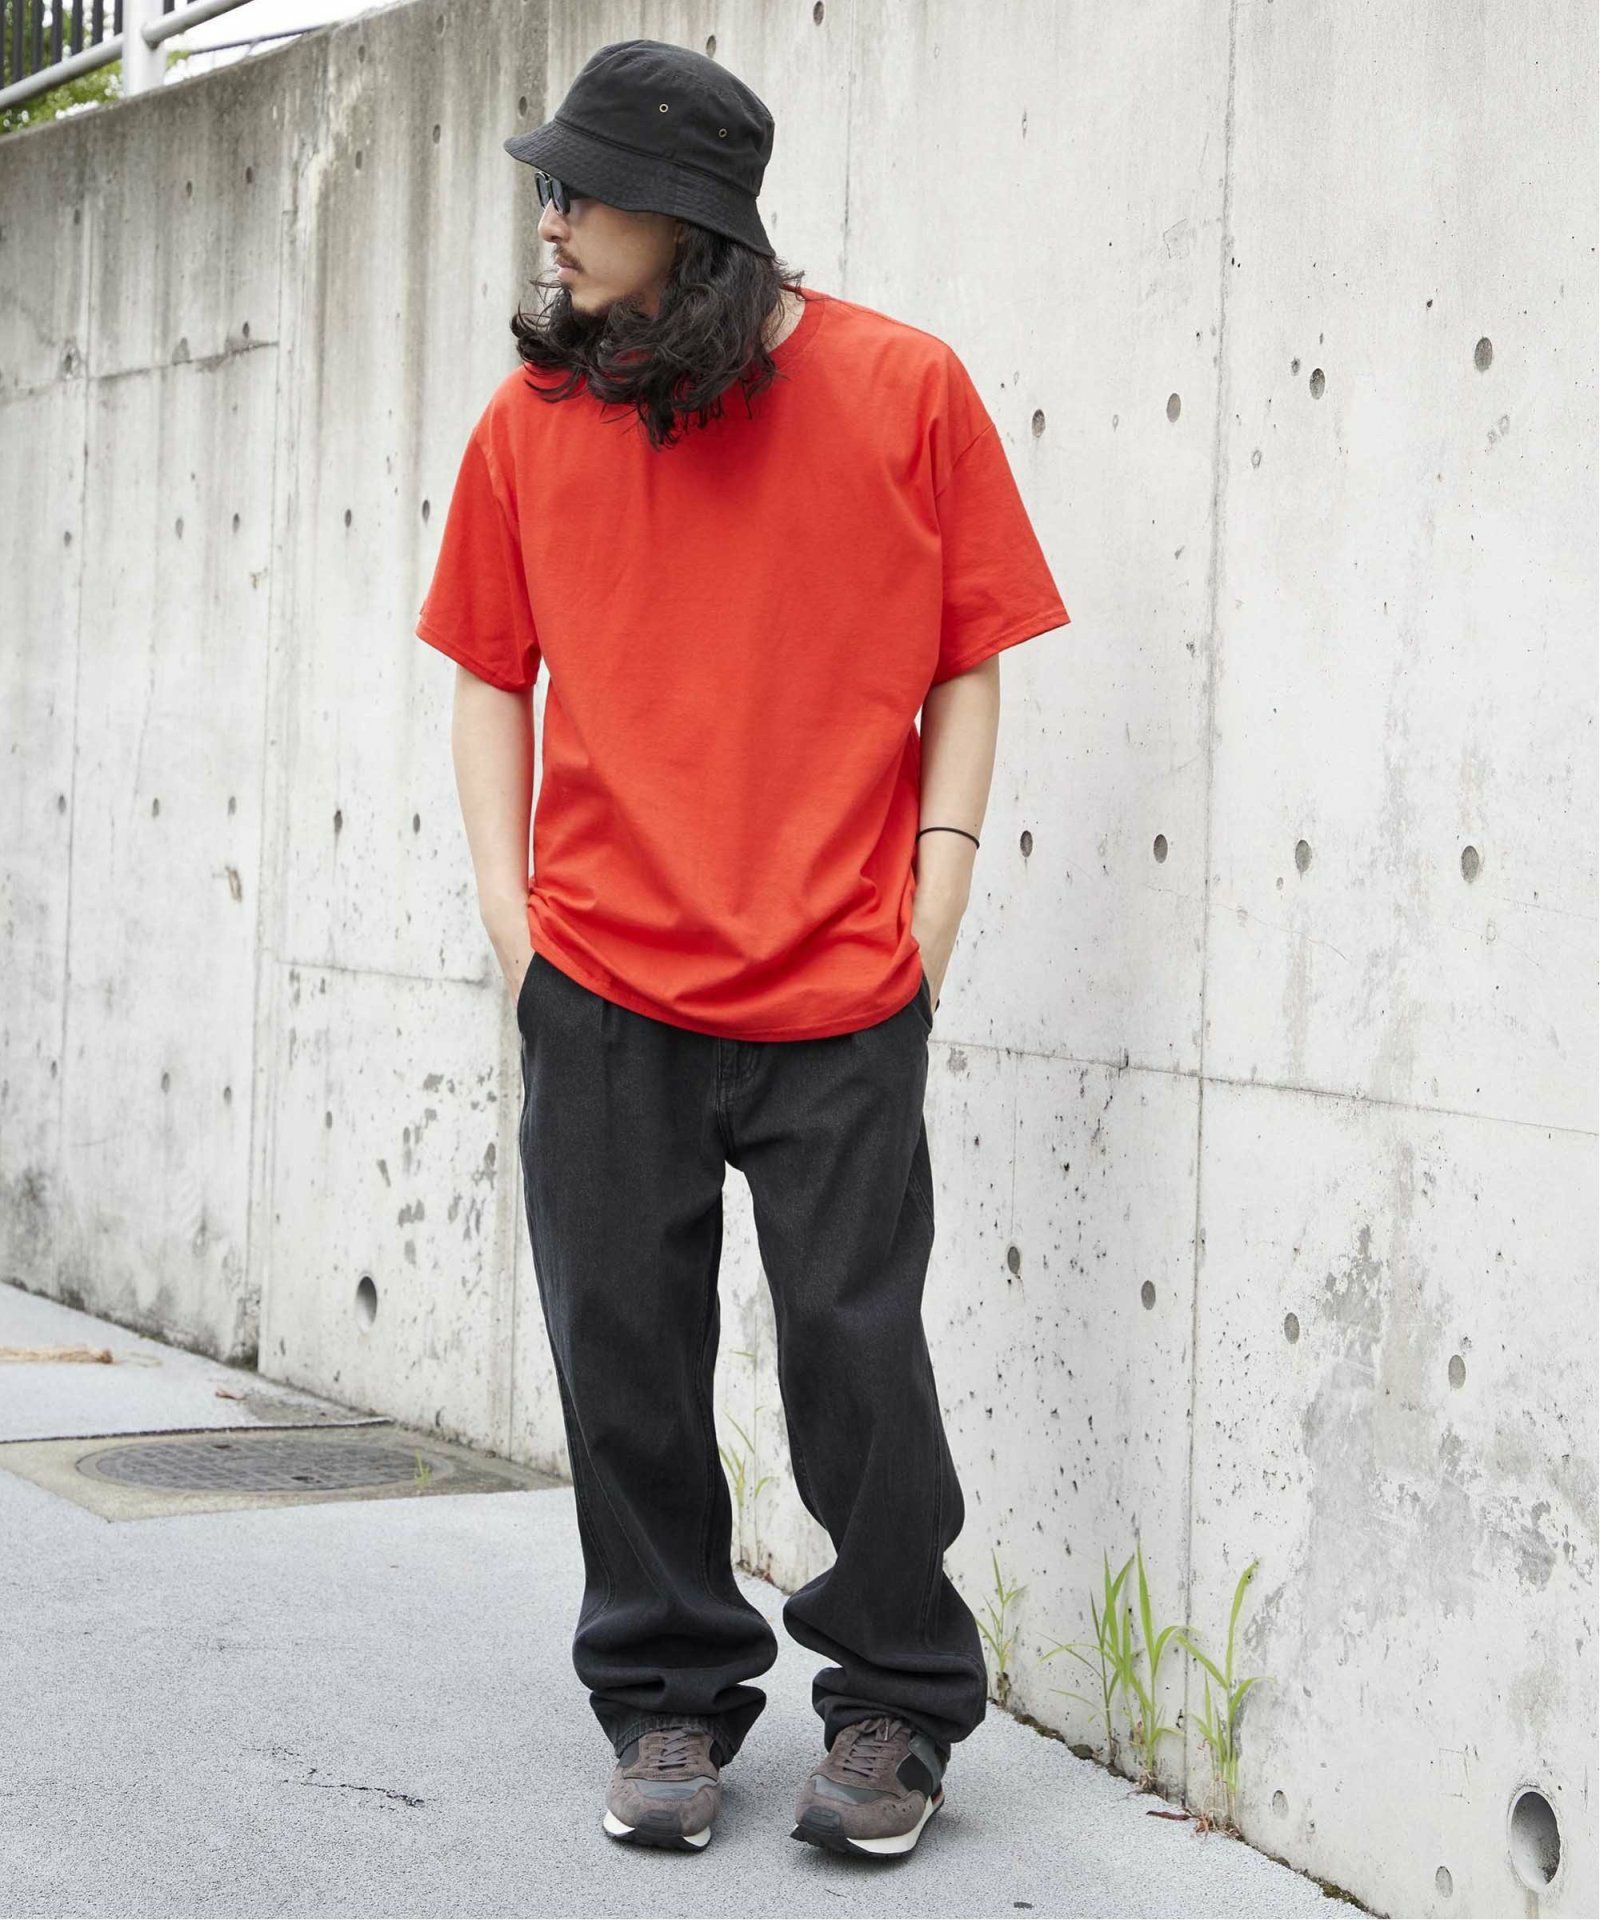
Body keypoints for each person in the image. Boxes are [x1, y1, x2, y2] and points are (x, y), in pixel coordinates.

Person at [415, 37, 1070, 1861]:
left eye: (581, 192)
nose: (551, 223)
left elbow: (968, 655)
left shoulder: (904, 388)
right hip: (603, 986)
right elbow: (486, 674)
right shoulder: (530, 423)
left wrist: (936, 898)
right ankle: (667, 1695)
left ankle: (896, 1703)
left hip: (839, 985)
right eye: (548, 189)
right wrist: (513, 928)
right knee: (621, 1358)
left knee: (858, 1363)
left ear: (688, 217)